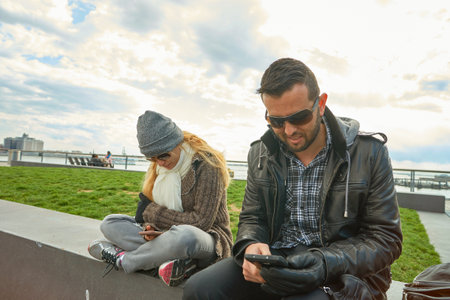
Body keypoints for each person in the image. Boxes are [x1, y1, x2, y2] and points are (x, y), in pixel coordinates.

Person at [183, 58, 403, 300]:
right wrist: (250, 245)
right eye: (276, 121)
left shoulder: (369, 152)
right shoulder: (260, 153)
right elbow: (253, 218)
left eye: (299, 118)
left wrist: (324, 262)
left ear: (321, 104)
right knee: (199, 288)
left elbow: (386, 239)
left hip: (343, 270)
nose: (289, 131)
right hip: (278, 259)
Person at [88, 110, 233, 286]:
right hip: (166, 236)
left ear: (177, 143)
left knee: (185, 236)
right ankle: (177, 264)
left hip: (207, 240)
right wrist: (151, 228)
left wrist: (154, 215)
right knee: (110, 223)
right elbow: (147, 217)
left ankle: (124, 259)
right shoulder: (160, 167)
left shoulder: (207, 165)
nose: (160, 163)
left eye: (163, 155)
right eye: (152, 158)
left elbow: (201, 221)